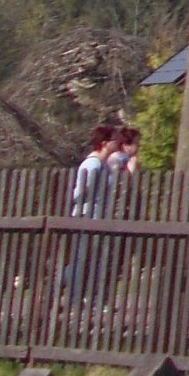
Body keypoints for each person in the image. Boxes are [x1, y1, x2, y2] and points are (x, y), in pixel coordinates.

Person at [63, 125, 121, 304]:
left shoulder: (104, 165)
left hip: (98, 216)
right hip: (87, 215)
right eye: (114, 140)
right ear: (104, 143)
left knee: (92, 257)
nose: (117, 143)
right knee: (82, 257)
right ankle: (73, 295)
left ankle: (85, 293)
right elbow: (80, 192)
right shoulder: (92, 164)